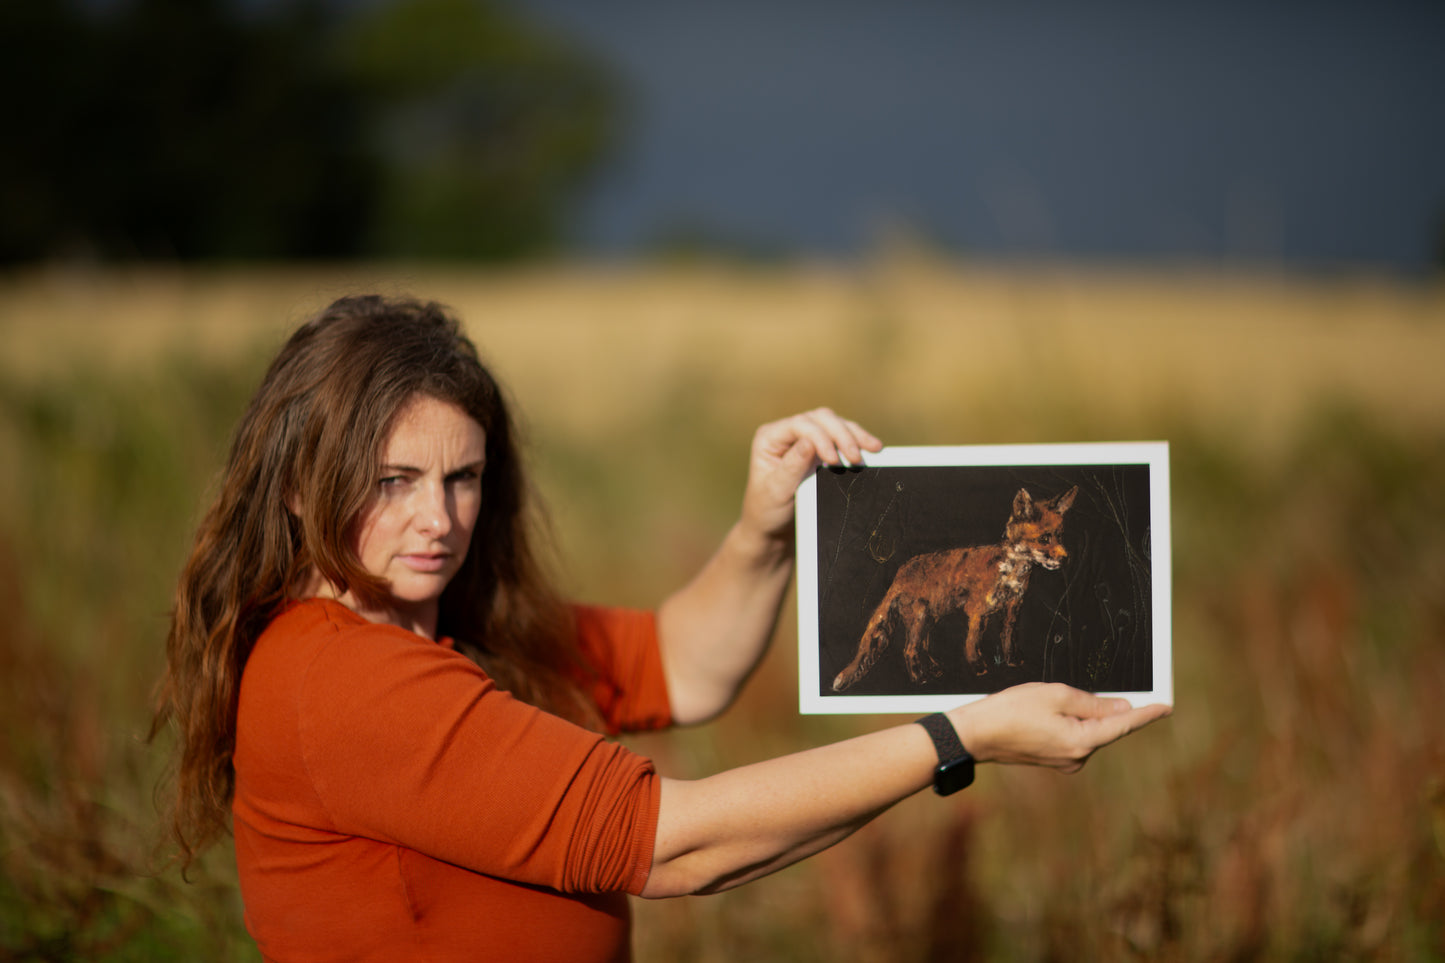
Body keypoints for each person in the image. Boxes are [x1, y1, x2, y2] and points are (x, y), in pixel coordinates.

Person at [152, 294, 1169, 963]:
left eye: (462, 477)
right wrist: (962, 737)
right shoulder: (339, 678)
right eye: (391, 482)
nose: (439, 518)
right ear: (295, 488)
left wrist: (766, 528)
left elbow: (681, 666)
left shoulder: (448, 629)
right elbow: (678, 847)